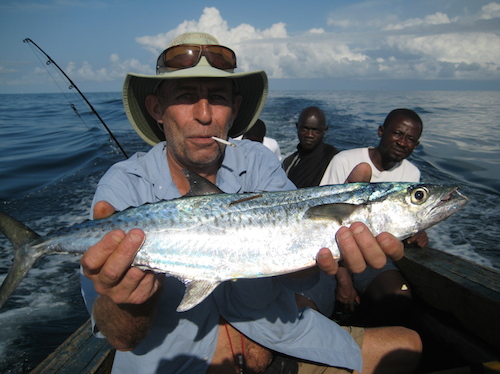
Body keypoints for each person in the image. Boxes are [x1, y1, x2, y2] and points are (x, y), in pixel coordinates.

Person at [79, 32, 421, 374]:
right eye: (185, 96)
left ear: (236, 107)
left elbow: (297, 272)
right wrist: (130, 302)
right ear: (157, 109)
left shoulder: (257, 160)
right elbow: (120, 338)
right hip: (180, 364)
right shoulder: (123, 184)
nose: (204, 114)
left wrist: (330, 234)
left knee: (410, 346)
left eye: (217, 97)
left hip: (280, 339)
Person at [317, 109, 428, 326]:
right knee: (310, 306)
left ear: (416, 145)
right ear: (381, 131)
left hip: (372, 255)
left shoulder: (412, 175)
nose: (402, 142)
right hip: (331, 253)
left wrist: (418, 230)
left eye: (410, 139)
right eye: (397, 133)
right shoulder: (344, 161)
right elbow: (323, 221)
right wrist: (343, 277)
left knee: (400, 295)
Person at [282, 106, 339, 188]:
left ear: (325, 130)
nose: (309, 135)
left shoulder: (333, 158)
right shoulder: (289, 163)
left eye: (316, 130)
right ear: (297, 127)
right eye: (304, 128)